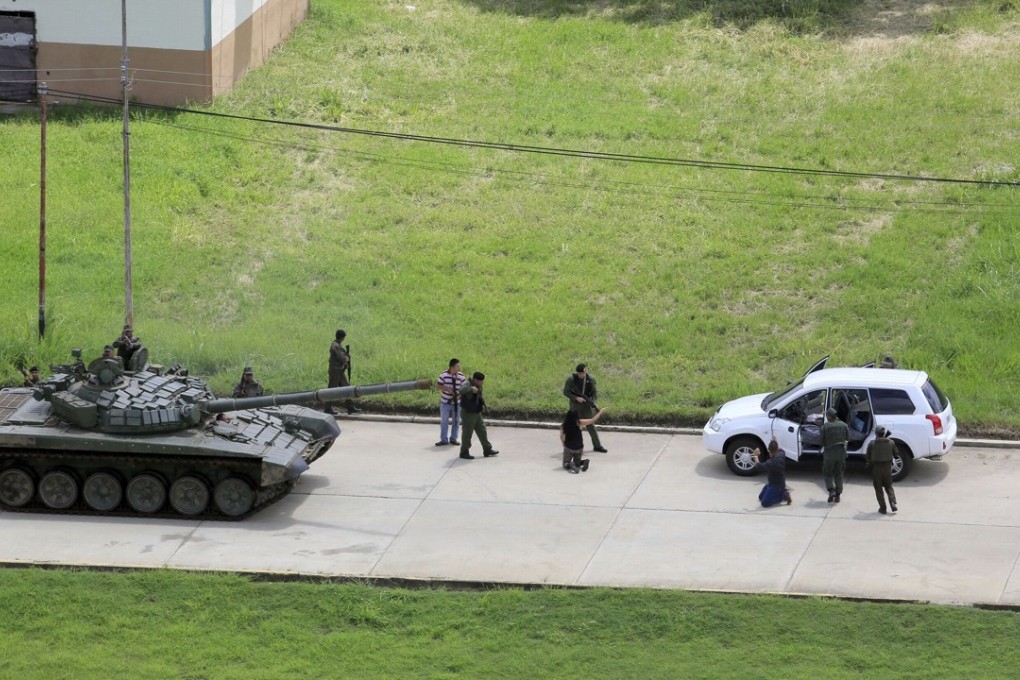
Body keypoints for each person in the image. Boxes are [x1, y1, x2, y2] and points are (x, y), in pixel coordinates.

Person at [562, 363, 607, 453]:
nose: (580, 375)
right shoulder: (571, 379)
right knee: (573, 426)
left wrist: (592, 402)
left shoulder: (590, 379)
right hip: (575, 406)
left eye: (582, 373)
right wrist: (576, 398)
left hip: (586, 406)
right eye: (579, 373)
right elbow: (566, 392)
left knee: (591, 425)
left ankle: (597, 445)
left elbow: (594, 393)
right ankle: (569, 446)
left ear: (585, 371)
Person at [458, 371, 498, 460]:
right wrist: (471, 389)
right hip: (468, 413)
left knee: (482, 431)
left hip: (476, 412)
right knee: (467, 433)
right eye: (481, 381)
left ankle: (487, 449)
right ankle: (464, 452)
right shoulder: (468, 384)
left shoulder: (479, 385)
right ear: (475, 380)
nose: (482, 383)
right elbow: (461, 390)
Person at [561, 408, 605, 474]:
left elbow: (561, 437)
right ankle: (584, 462)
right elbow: (592, 420)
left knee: (565, 464)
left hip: (569, 447)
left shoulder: (564, 425)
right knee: (577, 463)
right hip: (579, 447)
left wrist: (564, 445)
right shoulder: (580, 422)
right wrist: (600, 412)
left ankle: (570, 465)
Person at [866, 426, 899, 514]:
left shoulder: (872, 443)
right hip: (887, 468)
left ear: (876, 434)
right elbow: (896, 454)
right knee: (889, 487)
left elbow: (868, 457)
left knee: (878, 489)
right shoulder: (891, 442)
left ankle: (883, 508)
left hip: (877, 468)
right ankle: (893, 503)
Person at [327, 329, 360, 415]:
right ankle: (327, 408)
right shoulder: (335, 345)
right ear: (342, 337)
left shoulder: (337, 345)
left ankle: (350, 407)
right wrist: (346, 359)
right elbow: (341, 357)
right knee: (331, 390)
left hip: (339, 371)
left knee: (346, 388)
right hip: (335, 371)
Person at [751, 439, 792, 507]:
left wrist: (756, 456)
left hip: (777, 486)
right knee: (761, 497)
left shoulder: (772, 462)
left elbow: (759, 466)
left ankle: (783, 495)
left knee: (764, 503)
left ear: (769, 451)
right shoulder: (781, 454)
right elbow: (780, 449)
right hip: (772, 483)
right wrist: (775, 441)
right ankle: (780, 492)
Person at [821, 407, 850, 503]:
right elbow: (848, 438)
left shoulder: (825, 427)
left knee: (827, 473)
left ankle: (831, 490)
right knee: (839, 474)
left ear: (830, 416)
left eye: (827, 415)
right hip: (841, 454)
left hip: (829, 455)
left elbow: (821, 441)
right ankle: (838, 495)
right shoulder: (844, 425)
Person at [436, 358, 466, 446]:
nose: (459, 368)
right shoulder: (444, 375)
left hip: (457, 403)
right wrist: (447, 389)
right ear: (452, 367)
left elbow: (465, 388)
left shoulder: (461, 376)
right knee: (444, 422)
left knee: (456, 421)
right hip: (445, 402)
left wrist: (459, 396)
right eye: (457, 366)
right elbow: (438, 385)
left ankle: (453, 439)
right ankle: (444, 439)